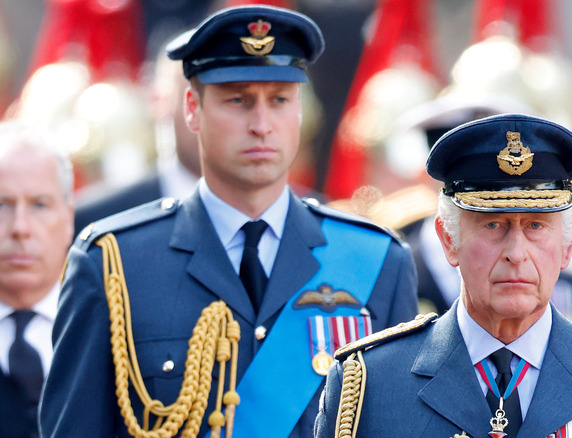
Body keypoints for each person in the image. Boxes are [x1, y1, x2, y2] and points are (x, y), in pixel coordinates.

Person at [39, 5, 418, 438]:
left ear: (300, 111)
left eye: (279, 100)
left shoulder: (376, 261)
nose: (261, 124)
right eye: (238, 99)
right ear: (192, 109)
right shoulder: (114, 266)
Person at [315, 114, 572, 438]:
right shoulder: (371, 385)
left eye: (537, 226)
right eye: (493, 225)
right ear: (449, 240)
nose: (516, 252)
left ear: (568, 245)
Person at [72, 51, 201, 235]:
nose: (207, 117)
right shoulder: (98, 218)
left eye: (235, 100)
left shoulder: (254, 215)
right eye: (194, 101)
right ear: (159, 101)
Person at [0, 120, 73, 438]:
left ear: (68, 218)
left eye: (39, 205)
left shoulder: (110, 330)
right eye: (1, 205)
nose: (20, 227)